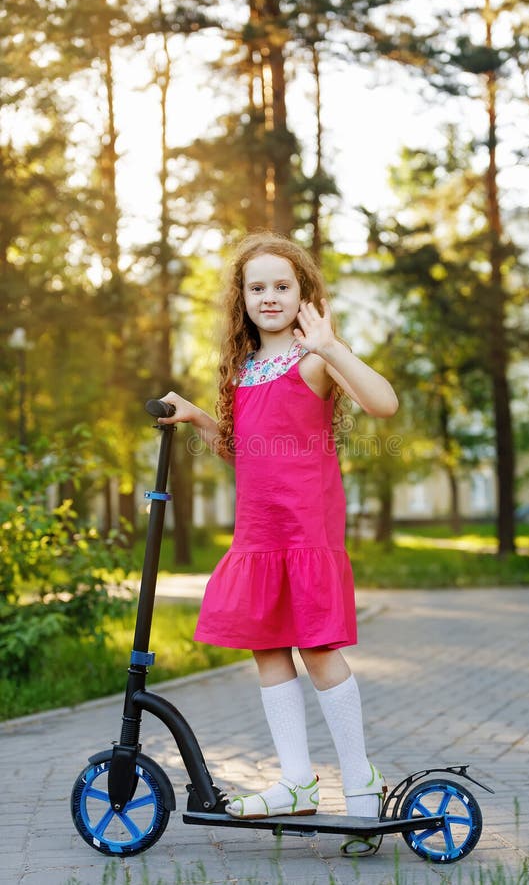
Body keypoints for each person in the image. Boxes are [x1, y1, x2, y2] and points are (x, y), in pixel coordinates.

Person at [158, 231, 398, 855]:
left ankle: (361, 778)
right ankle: (295, 781)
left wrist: (333, 347)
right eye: (257, 286)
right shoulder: (243, 369)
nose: (269, 296)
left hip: (306, 528)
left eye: (282, 286)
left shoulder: (314, 359)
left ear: (303, 294)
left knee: (317, 648)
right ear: (241, 298)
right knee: (267, 648)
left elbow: (384, 403)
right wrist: (197, 416)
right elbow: (243, 448)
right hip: (259, 532)